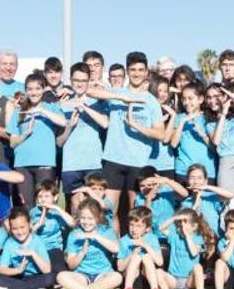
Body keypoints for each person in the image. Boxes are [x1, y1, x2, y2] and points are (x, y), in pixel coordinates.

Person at [86, 52, 167, 233]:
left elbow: (161, 134)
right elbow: (89, 91)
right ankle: (114, 252)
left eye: (140, 70)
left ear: (146, 72)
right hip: (113, 159)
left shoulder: (151, 101)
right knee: (108, 211)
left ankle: (134, 253)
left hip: (138, 162)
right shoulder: (117, 92)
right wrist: (123, 98)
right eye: (133, 70)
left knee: (135, 213)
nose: (137, 73)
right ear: (127, 71)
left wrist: (138, 127)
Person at [7, 74, 69, 209]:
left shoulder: (51, 107)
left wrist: (41, 110)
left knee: (46, 205)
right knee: (27, 205)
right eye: (30, 89)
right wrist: (24, 135)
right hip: (22, 164)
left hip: (44, 163)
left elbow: (63, 122)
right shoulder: (19, 111)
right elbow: (12, 143)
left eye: (37, 88)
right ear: (26, 90)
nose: (33, 92)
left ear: (43, 89)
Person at [56, 62, 111, 204]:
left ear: (88, 81)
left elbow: (105, 123)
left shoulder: (97, 102)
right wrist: (69, 126)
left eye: (83, 81)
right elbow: (59, 142)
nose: (80, 84)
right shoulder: (63, 104)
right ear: (70, 80)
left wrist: (83, 106)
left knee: (94, 208)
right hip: (71, 165)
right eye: (76, 80)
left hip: (93, 163)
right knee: (75, 209)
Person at [56, 198, 123, 289]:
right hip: (82, 275)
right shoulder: (74, 234)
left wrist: (95, 236)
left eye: (90, 218)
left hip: (103, 274)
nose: (86, 222)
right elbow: (71, 265)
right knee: (61, 276)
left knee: (117, 277)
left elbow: (116, 249)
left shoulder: (106, 230)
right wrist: (82, 252)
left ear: (98, 218)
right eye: (83, 218)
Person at [0, 207, 59, 289]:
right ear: (11, 229)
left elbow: (47, 270)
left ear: (30, 224)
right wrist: (18, 270)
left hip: (37, 277)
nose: (19, 232)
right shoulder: (9, 243)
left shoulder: (37, 240)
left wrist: (33, 253)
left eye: (22, 227)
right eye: (15, 229)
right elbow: (2, 269)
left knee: (51, 278)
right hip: (18, 277)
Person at [157, 209, 214, 289]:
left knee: (198, 267)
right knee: (158, 272)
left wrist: (187, 235)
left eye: (185, 222)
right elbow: (161, 228)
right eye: (180, 222)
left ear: (194, 226)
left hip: (189, 280)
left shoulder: (198, 238)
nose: (182, 225)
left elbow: (194, 252)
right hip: (174, 279)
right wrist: (175, 217)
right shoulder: (175, 236)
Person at [117, 207, 165, 289]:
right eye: (131, 225)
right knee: (136, 256)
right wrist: (132, 254)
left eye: (138, 226)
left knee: (146, 256)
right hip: (131, 277)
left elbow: (160, 262)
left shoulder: (152, 238)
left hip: (147, 277)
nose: (134, 229)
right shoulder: (124, 240)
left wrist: (145, 245)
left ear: (147, 228)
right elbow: (120, 267)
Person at [169, 83, 215, 184]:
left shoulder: (209, 118)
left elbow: (215, 149)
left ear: (200, 99)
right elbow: (173, 144)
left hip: (206, 172)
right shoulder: (179, 118)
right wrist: (182, 121)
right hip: (183, 171)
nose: (186, 102)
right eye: (184, 99)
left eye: (190, 98)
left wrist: (202, 134)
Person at [29, 179, 75, 272]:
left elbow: (73, 224)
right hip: (38, 248)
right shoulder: (34, 212)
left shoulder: (57, 212)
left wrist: (55, 207)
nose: (43, 199)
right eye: (40, 196)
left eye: (46, 196)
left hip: (54, 248)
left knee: (58, 271)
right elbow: (29, 234)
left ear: (55, 197)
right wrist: (38, 224)